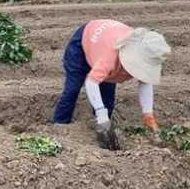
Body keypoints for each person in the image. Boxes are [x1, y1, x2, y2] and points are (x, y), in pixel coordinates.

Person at [53, 20, 171, 150]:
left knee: (107, 99)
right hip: (82, 44)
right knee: (72, 89)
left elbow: (145, 82)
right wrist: (100, 112)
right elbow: (91, 83)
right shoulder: (110, 56)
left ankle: (102, 130)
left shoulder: (144, 51)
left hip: (104, 47)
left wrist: (148, 114)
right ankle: (59, 126)